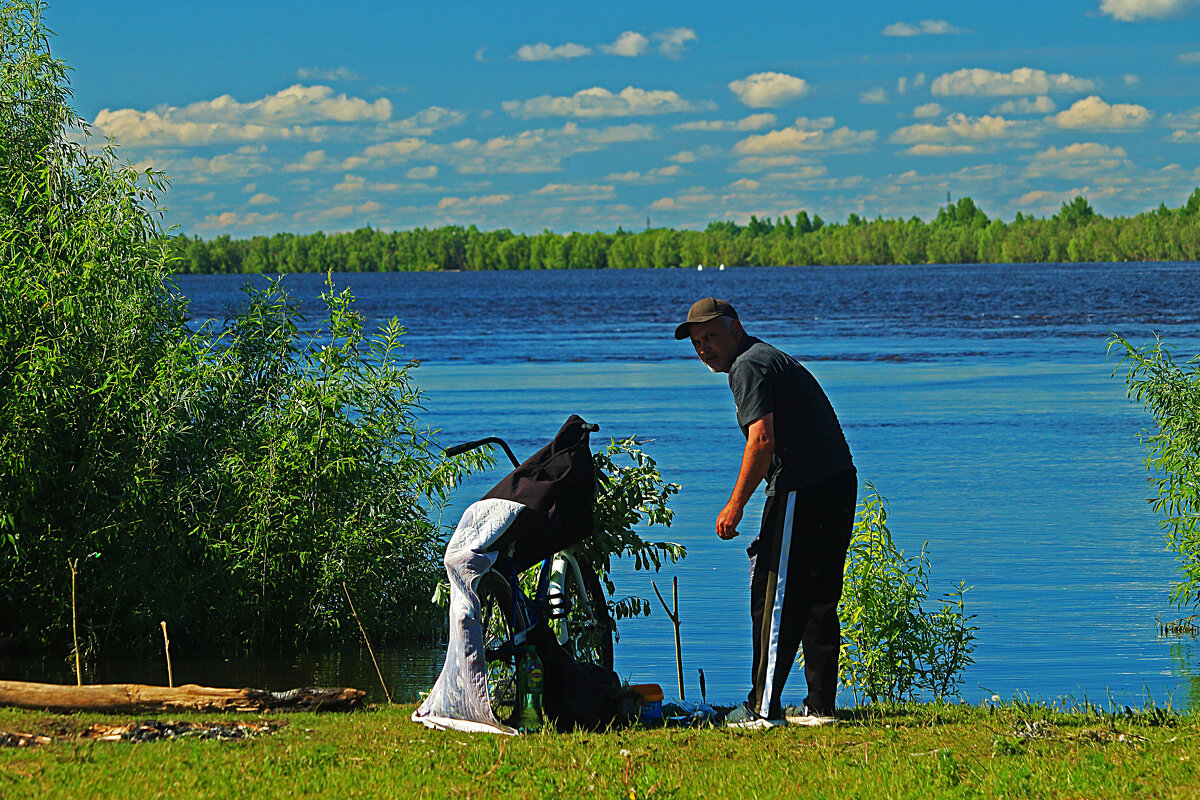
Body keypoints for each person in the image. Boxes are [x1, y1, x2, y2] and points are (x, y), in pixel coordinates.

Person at [674, 297, 856, 728]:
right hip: (836, 481)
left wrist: (735, 505)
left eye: (711, 336)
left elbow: (761, 440)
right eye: (697, 342)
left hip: (803, 487)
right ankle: (819, 709)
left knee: (774, 599)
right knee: (817, 596)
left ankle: (763, 709)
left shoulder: (748, 365)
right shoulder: (764, 357)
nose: (704, 349)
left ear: (736, 327)